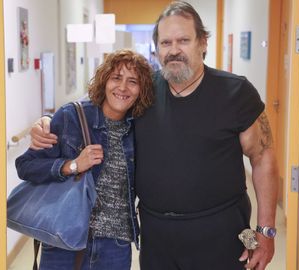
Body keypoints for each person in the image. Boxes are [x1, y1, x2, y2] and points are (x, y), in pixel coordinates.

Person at [30, 2, 279, 269]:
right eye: (165, 42)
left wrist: (266, 231)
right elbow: (98, 108)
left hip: (220, 233)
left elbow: (262, 157)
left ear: (203, 42)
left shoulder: (236, 93)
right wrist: (48, 122)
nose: (174, 50)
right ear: (157, 48)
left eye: (183, 40)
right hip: (157, 237)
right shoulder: (143, 91)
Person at [16, 49, 153, 270]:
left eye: (133, 81)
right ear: (104, 80)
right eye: (116, 78)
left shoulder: (140, 127)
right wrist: (72, 165)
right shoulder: (72, 116)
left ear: (141, 89)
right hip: (64, 240)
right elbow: (25, 166)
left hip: (115, 246)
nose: (123, 87)